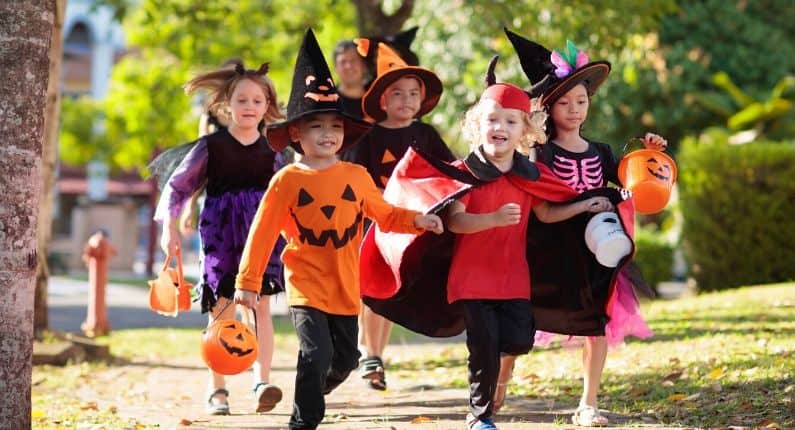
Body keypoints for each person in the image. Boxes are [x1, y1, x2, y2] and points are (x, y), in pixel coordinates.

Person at [233, 28, 444, 430]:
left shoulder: (357, 176)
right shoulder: (288, 181)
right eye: (316, 126)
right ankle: (303, 420)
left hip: (347, 285)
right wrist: (249, 281)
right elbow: (262, 232)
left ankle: (310, 390)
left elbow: (385, 214)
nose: (327, 134)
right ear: (296, 133)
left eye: (334, 126)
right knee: (314, 353)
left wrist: (417, 220)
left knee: (344, 360)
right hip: (306, 284)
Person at [500, 29, 659, 426]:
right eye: (565, 102)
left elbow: (633, 186)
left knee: (597, 323)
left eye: (581, 100)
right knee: (521, 323)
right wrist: (584, 203)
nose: (574, 109)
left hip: (595, 253)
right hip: (548, 252)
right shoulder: (540, 152)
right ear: (548, 108)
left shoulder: (603, 151)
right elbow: (541, 210)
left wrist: (650, 153)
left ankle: (588, 402)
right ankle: (497, 383)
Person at [447, 82, 615, 430]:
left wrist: (584, 204)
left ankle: (491, 390)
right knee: (484, 348)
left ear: (525, 131)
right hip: (473, 279)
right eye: (492, 120)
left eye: (511, 122)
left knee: (519, 341)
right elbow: (455, 221)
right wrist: (492, 220)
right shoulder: (466, 172)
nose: (500, 128)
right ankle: (480, 415)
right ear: (477, 125)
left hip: (513, 279)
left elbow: (547, 213)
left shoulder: (529, 175)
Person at [153, 60, 286, 416]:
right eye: (242, 100)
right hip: (219, 232)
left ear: (267, 106)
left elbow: (289, 195)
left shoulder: (275, 151)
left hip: (260, 235)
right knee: (221, 309)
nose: (250, 107)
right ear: (227, 103)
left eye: (258, 101)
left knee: (260, 307)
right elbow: (178, 188)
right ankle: (218, 390)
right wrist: (169, 228)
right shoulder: (211, 147)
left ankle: (262, 381)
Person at [341, 41, 456, 391]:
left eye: (413, 94)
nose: (406, 101)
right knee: (374, 286)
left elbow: (447, 172)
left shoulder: (426, 135)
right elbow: (354, 177)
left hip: (412, 224)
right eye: (398, 93)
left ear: (421, 101)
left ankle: (373, 353)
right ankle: (369, 352)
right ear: (383, 100)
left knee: (390, 290)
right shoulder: (370, 136)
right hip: (376, 223)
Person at [333, 39, 369, 120]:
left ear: (363, 65)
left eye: (353, 60)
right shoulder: (327, 103)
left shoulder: (378, 100)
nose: (348, 66)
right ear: (336, 68)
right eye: (343, 62)